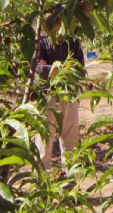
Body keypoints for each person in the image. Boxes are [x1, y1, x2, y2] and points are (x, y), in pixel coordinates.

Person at [35, 34, 85, 170]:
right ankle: (43, 178)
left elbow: (80, 67)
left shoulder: (73, 40)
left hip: (69, 93)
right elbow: (38, 67)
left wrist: (61, 71)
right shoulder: (42, 40)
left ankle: (71, 174)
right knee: (45, 138)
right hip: (48, 94)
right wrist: (60, 70)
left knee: (70, 138)